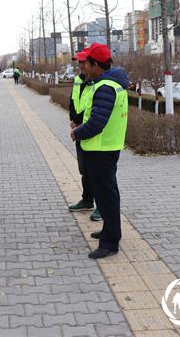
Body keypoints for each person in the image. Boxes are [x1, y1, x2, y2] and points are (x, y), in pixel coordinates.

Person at [71, 43, 129, 259]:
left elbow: (97, 122)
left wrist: (78, 132)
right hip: (102, 147)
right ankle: (109, 231)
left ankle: (110, 243)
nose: (83, 67)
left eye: (86, 63)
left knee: (107, 195)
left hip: (102, 148)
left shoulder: (105, 86)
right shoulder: (104, 83)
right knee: (107, 194)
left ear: (97, 65)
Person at [67, 47, 101, 222]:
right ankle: (87, 200)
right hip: (79, 128)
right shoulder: (79, 80)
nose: (80, 66)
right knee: (84, 169)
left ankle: (102, 207)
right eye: (79, 62)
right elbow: (73, 101)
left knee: (97, 171)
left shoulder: (96, 83)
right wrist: (73, 119)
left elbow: (92, 108)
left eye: (83, 62)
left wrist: (79, 122)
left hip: (90, 130)